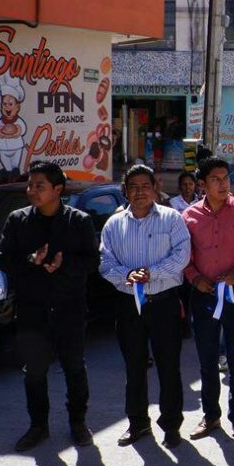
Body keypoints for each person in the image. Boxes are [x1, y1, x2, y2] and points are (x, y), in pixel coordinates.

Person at [0, 161, 99, 452]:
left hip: (69, 308)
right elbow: (4, 259)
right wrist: (31, 260)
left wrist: (62, 265)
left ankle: (78, 423)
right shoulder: (18, 220)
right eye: (30, 185)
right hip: (32, 309)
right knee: (34, 371)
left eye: (39, 186)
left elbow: (93, 261)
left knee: (74, 368)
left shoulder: (78, 221)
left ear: (57, 189)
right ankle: (38, 426)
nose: (32, 190)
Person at [99, 164, 192, 449]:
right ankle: (138, 422)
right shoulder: (113, 224)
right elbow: (105, 262)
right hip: (129, 305)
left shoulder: (171, 219)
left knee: (169, 367)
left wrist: (152, 273)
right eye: (133, 187)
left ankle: (171, 425)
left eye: (145, 186)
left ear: (155, 188)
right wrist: (127, 275)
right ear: (125, 191)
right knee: (134, 367)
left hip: (163, 304)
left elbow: (182, 256)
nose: (139, 192)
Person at [182, 157, 234, 442]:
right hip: (203, 296)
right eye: (216, 179)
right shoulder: (188, 217)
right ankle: (210, 416)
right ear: (202, 184)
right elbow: (184, 257)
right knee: (207, 360)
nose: (223, 184)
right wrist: (195, 278)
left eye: (226, 177)